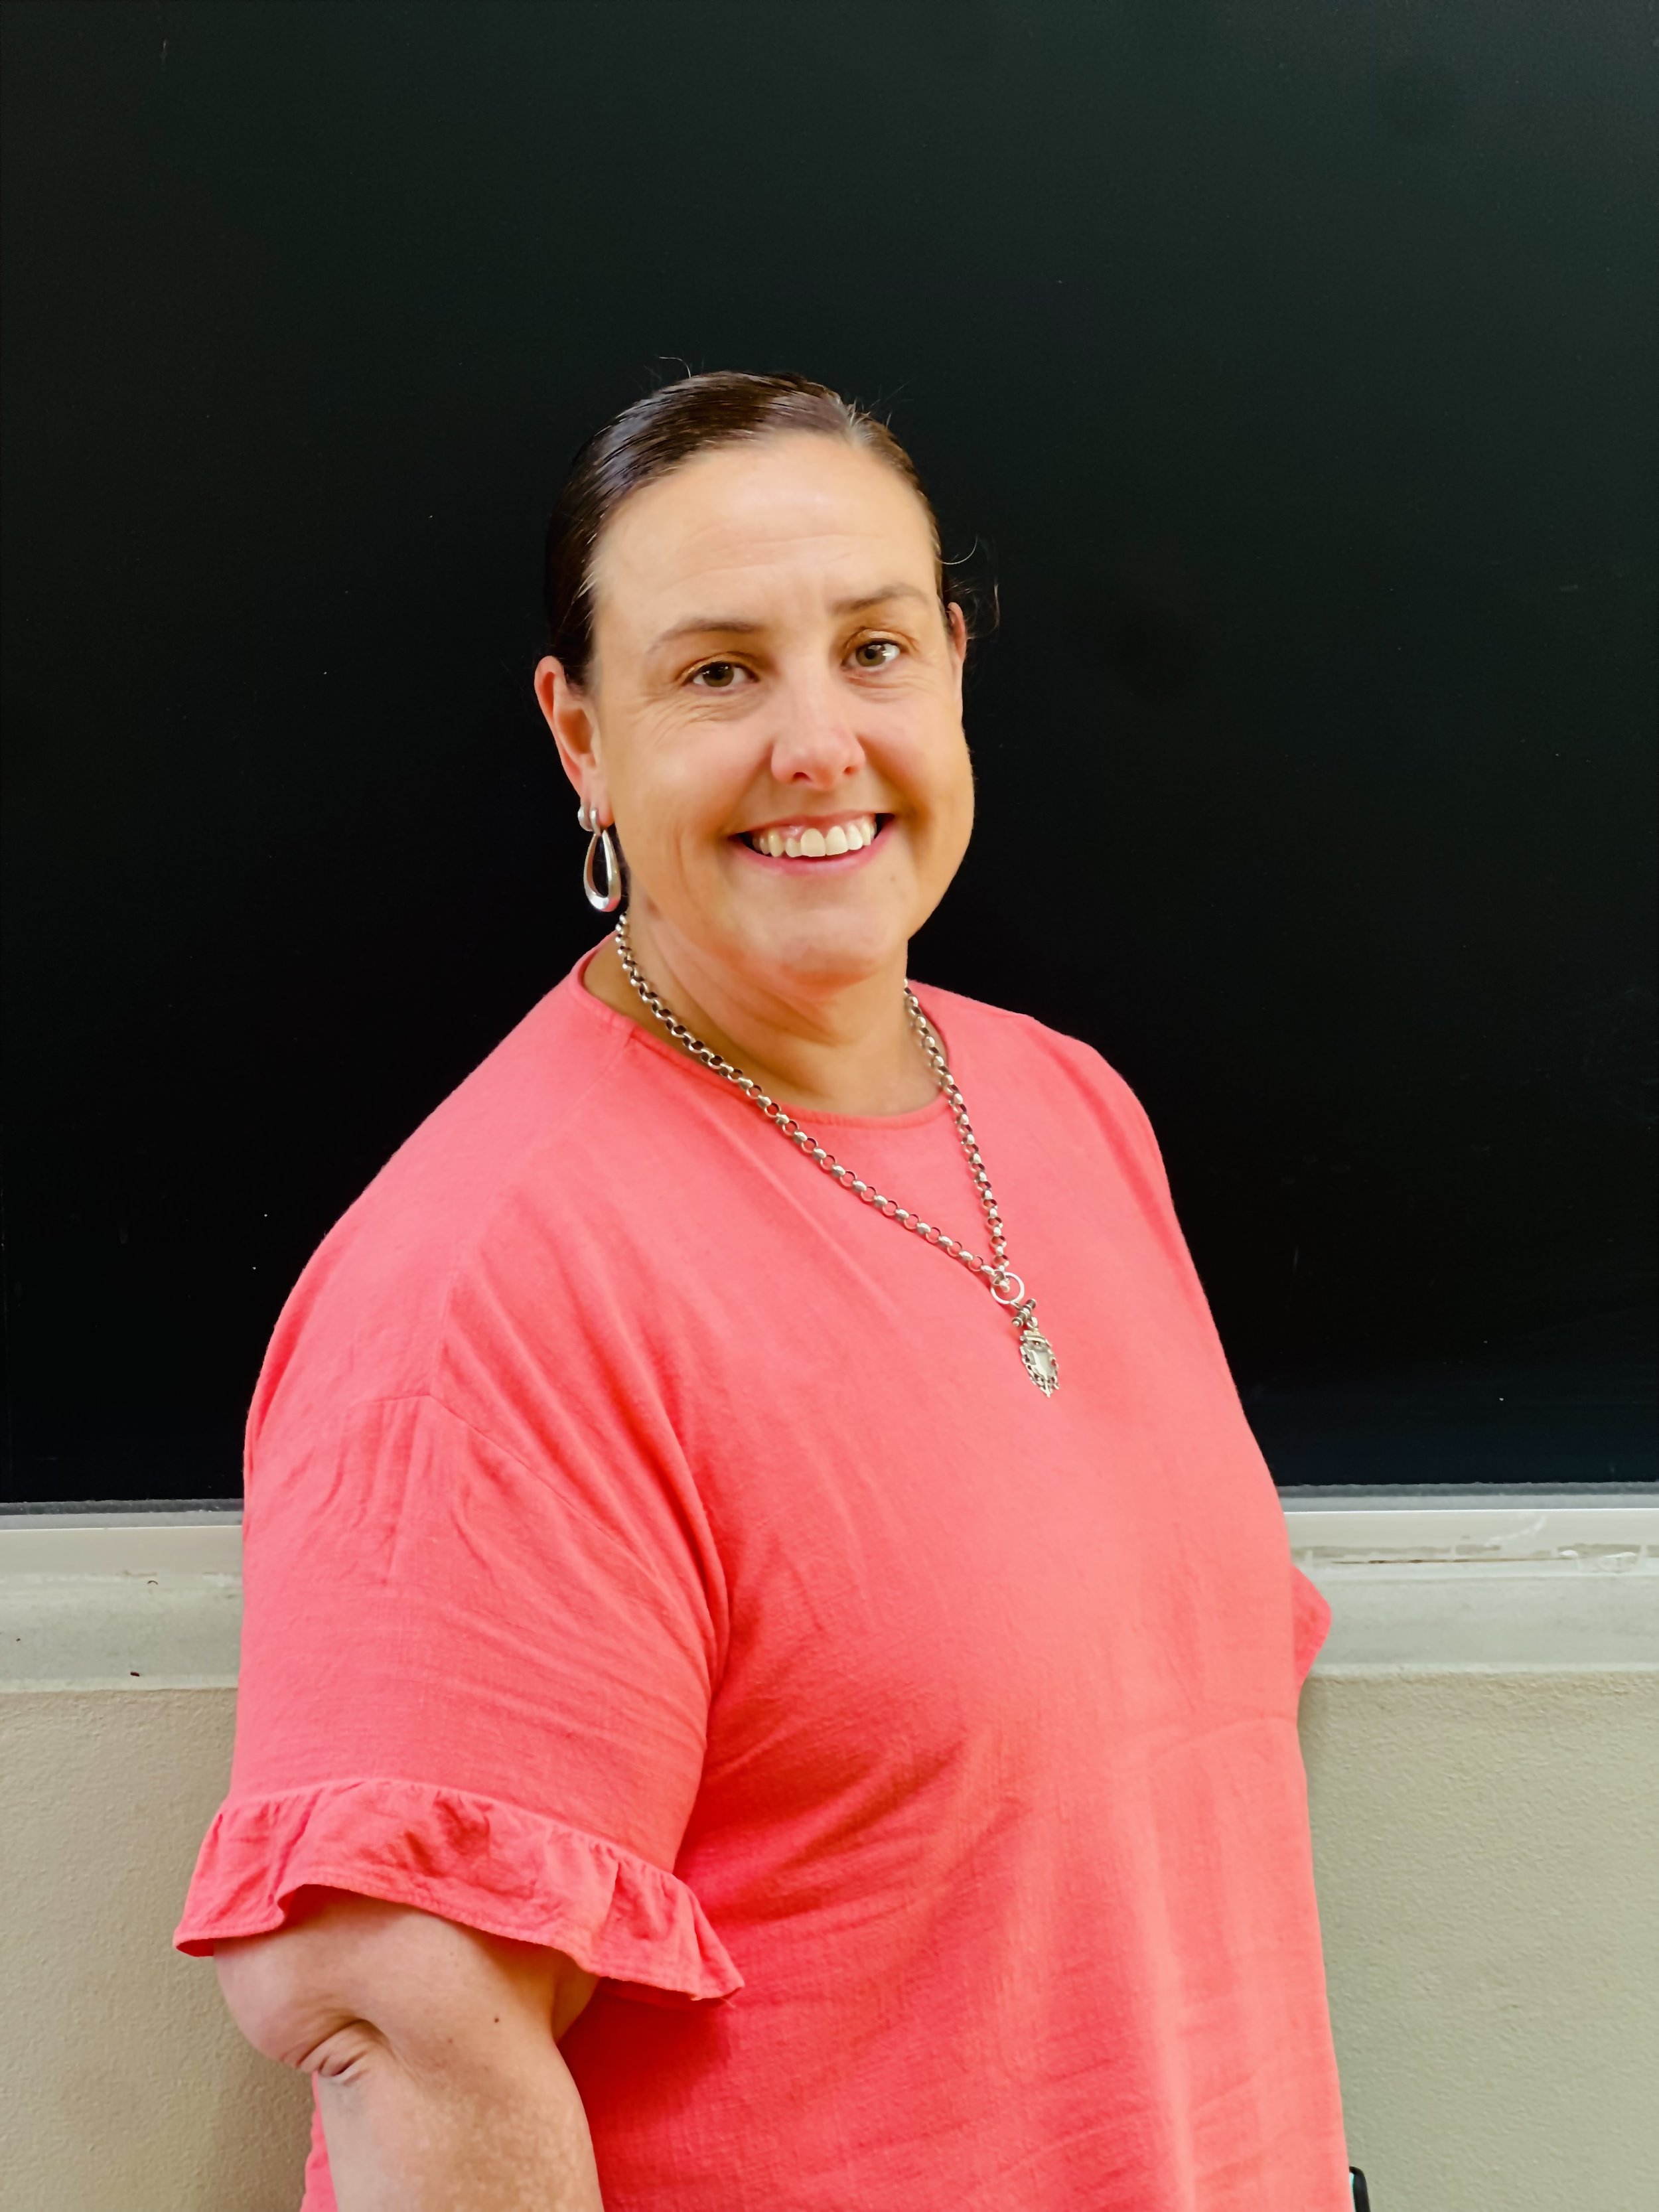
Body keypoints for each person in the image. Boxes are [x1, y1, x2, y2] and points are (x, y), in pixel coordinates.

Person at [179, 371, 1351, 2209]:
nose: (817, 744)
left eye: (871, 648)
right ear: (579, 734)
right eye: (716, 672)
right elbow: (401, 2016)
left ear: (952, 666)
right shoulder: (495, 1282)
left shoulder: (1063, 1109)